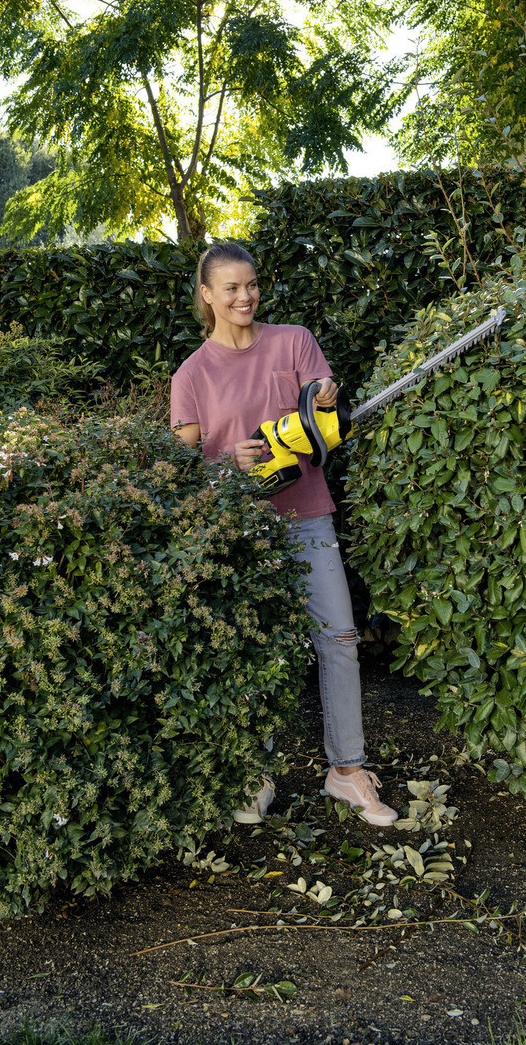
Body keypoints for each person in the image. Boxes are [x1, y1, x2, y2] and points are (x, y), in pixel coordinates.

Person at [169, 241, 399, 828]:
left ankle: (347, 770)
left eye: (251, 285)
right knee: (257, 650)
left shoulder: (293, 341)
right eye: (231, 288)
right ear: (207, 295)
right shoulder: (191, 375)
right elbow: (178, 467)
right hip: (242, 529)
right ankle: (255, 774)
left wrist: (323, 396)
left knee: (340, 637)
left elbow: (321, 401)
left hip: (308, 515)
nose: (244, 297)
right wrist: (228, 462)